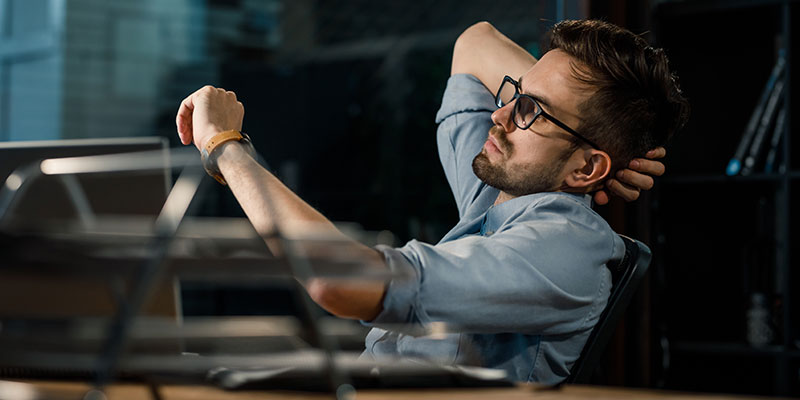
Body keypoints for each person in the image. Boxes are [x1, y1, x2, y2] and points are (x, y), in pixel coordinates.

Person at [175, 19, 688, 384]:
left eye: (529, 111)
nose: (499, 115)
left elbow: (339, 282)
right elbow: (475, 43)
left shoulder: (561, 245)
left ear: (585, 168)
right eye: (513, 94)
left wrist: (226, 149)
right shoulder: (501, 192)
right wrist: (573, 121)